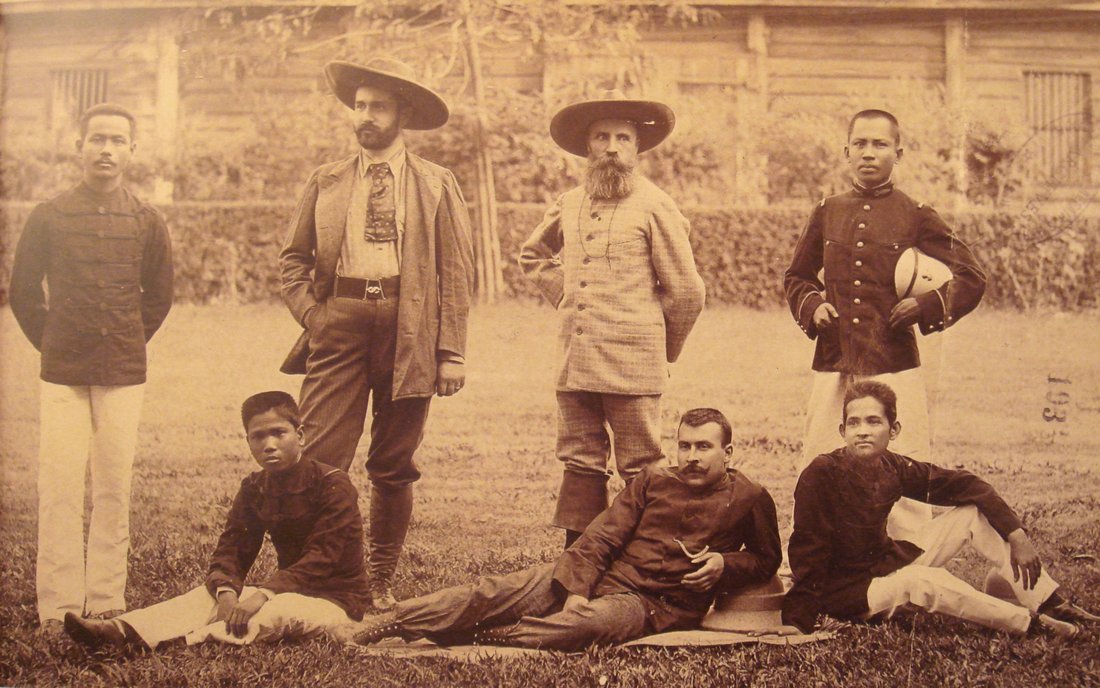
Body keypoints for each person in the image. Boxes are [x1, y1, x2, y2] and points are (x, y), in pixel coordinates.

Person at [279, 58, 475, 610]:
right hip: (338, 323)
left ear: (402, 115)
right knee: (317, 457)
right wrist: (313, 317)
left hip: (409, 327)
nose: (365, 117)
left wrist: (451, 351)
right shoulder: (328, 180)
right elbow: (293, 261)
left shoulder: (437, 184)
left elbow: (455, 274)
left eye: (378, 107)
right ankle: (311, 575)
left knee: (393, 461)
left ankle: (379, 579)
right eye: (360, 106)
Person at [343, 408, 779, 651]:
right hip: (595, 573)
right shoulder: (653, 480)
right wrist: (577, 587)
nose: (691, 457)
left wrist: (725, 563)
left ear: (729, 452)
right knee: (495, 591)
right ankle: (392, 621)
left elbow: (767, 559)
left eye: (704, 447)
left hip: (654, 603)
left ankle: (474, 635)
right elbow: (602, 535)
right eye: (684, 445)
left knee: (581, 629)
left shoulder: (751, 496)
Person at [783, 108, 987, 541]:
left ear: (898, 152)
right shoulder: (827, 211)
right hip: (834, 360)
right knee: (819, 456)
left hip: (894, 361)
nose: (869, 153)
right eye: (860, 144)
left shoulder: (916, 213)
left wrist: (926, 306)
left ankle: (910, 554)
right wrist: (812, 305)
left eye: (880, 145)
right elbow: (796, 277)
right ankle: (810, 556)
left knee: (906, 457)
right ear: (846, 152)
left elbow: (972, 276)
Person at [8, 103, 174, 633]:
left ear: (132, 150)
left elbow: (159, 297)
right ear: (78, 147)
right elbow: (22, 292)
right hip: (62, 372)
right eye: (96, 139)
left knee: (113, 484)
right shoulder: (49, 215)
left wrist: (123, 339)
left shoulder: (147, 219)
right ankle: (57, 607)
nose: (106, 149)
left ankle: (105, 600)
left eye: (117, 140)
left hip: (123, 371)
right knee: (57, 484)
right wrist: (55, 341)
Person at [519, 91, 706, 547]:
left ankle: (647, 554)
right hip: (576, 358)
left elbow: (686, 291)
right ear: (587, 147)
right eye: (601, 137)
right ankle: (578, 557)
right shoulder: (568, 201)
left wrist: (661, 348)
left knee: (642, 463)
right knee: (580, 459)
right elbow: (533, 254)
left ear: (637, 149)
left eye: (623, 138)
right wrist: (568, 296)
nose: (612, 148)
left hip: (633, 362)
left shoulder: (655, 205)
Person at [782, 380, 1099, 638]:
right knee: (924, 580)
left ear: (894, 431)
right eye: (854, 423)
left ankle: (1050, 602)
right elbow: (807, 553)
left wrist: (1017, 535)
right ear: (842, 431)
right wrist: (801, 619)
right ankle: (1030, 625)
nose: (862, 430)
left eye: (873, 421)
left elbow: (966, 485)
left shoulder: (893, 466)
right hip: (844, 594)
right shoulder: (821, 473)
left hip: (882, 565)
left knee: (969, 516)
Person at [64, 391, 370, 650]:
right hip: (289, 590)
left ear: (300, 435)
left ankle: (186, 640)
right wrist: (226, 591)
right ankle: (120, 631)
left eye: (279, 432)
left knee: (272, 612)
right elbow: (232, 549)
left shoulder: (333, 484)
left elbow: (322, 557)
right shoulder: (255, 487)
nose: (269, 445)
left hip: (338, 602)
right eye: (258, 436)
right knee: (203, 598)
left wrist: (262, 594)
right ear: (248, 442)